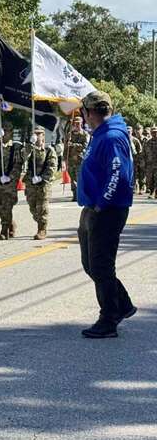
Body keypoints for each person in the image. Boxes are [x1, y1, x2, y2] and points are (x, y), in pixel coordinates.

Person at [77, 90, 135, 339]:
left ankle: (109, 318)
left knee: (101, 265)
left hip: (106, 211)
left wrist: (102, 203)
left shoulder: (111, 136)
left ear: (90, 113)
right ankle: (121, 304)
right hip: (94, 207)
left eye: (84, 112)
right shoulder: (101, 134)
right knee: (91, 264)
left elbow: (117, 174)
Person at [0, 126, 25, 240]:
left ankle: (4, 229)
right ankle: (10, 223)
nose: (6, 133)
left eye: (8, 131)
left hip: (10, 181)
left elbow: (18, 164)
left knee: (7, 205)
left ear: (11, 133)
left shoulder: (16, 147)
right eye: (4, 131)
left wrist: (10, 177)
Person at [23, 126, 57, 240]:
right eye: (35, 133)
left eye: (39, 134)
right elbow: (22, 157)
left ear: (43, 135)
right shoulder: (29, 149)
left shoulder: (48, 150)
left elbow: (52, 167)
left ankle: (42, 229)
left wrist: (42, 178)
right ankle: (40, 222)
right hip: (30, 183)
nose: (37, 136)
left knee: (42, 207)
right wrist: (29, 145)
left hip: (43, 184)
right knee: (33, 207)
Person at [65, 115, 90, 200]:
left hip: (80, 159)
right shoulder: (69, 135)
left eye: (78, 124)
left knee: (80, 178)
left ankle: (81, 194)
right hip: (71, 160)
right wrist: (65, 159)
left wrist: (73, 145)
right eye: (75, 124)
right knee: (72, 178)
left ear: (81, 124)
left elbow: (84, 146)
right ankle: (75, 195)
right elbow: (66, 148)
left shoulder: (85, 134)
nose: (76, 125)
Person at [146, 126, 157, 198]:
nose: (154, 133)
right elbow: (144, 153)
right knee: (150, 179)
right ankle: (151, 192)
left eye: (155, 132)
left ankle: (155, 193)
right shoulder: (148, 142)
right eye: (153, 132)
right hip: (150, 164)